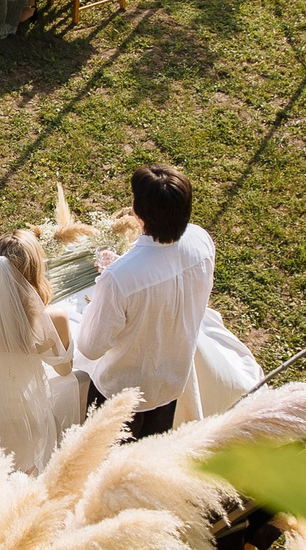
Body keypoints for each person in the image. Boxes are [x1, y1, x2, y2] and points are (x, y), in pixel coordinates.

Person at [75, 164, 218, 439]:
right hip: (171, 383)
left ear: (138, 213)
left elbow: (91, 347)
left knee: (102, 470)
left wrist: (102, 296)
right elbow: (169, 286)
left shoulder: (119, 280)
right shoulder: (202, 242)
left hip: (119, 396)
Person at [0, 231, 72, 475]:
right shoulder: (54, 319)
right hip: (26, 412)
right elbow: (65, 369)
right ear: (36, 272)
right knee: (23, 473)